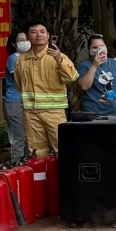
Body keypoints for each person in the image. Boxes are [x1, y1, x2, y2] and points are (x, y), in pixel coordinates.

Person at [16, 20, 79, 156]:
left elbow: (72, 78)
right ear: (27, 36)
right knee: (36, 152)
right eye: (33, 32)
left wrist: (60, 61)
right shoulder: (21, 60)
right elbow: (19, 84)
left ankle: (64, 177)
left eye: (42, 32)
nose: (38, 35)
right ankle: (42, 177)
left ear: (48, 35)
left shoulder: (57, 56)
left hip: (54, 111)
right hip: (31, 113)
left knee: (62, 148)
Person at [77, 34, 116, 115]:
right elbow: (84, 86)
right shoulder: (84, 65)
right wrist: (94, 65)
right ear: (89, 49)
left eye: (102, 47)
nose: (99, 50)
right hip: (94, 113)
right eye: (95, 47)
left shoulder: (115, 63)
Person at [4, 30, 29, 161]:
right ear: (14, 43)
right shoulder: (14, 58)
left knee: (29, 138)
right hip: (15, 101)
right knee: (18, 138)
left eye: (27, 39)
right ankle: (16, 168)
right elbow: (21, 79)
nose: (25, 42)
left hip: (28, 102)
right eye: (21, 40)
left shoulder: (30, 58)